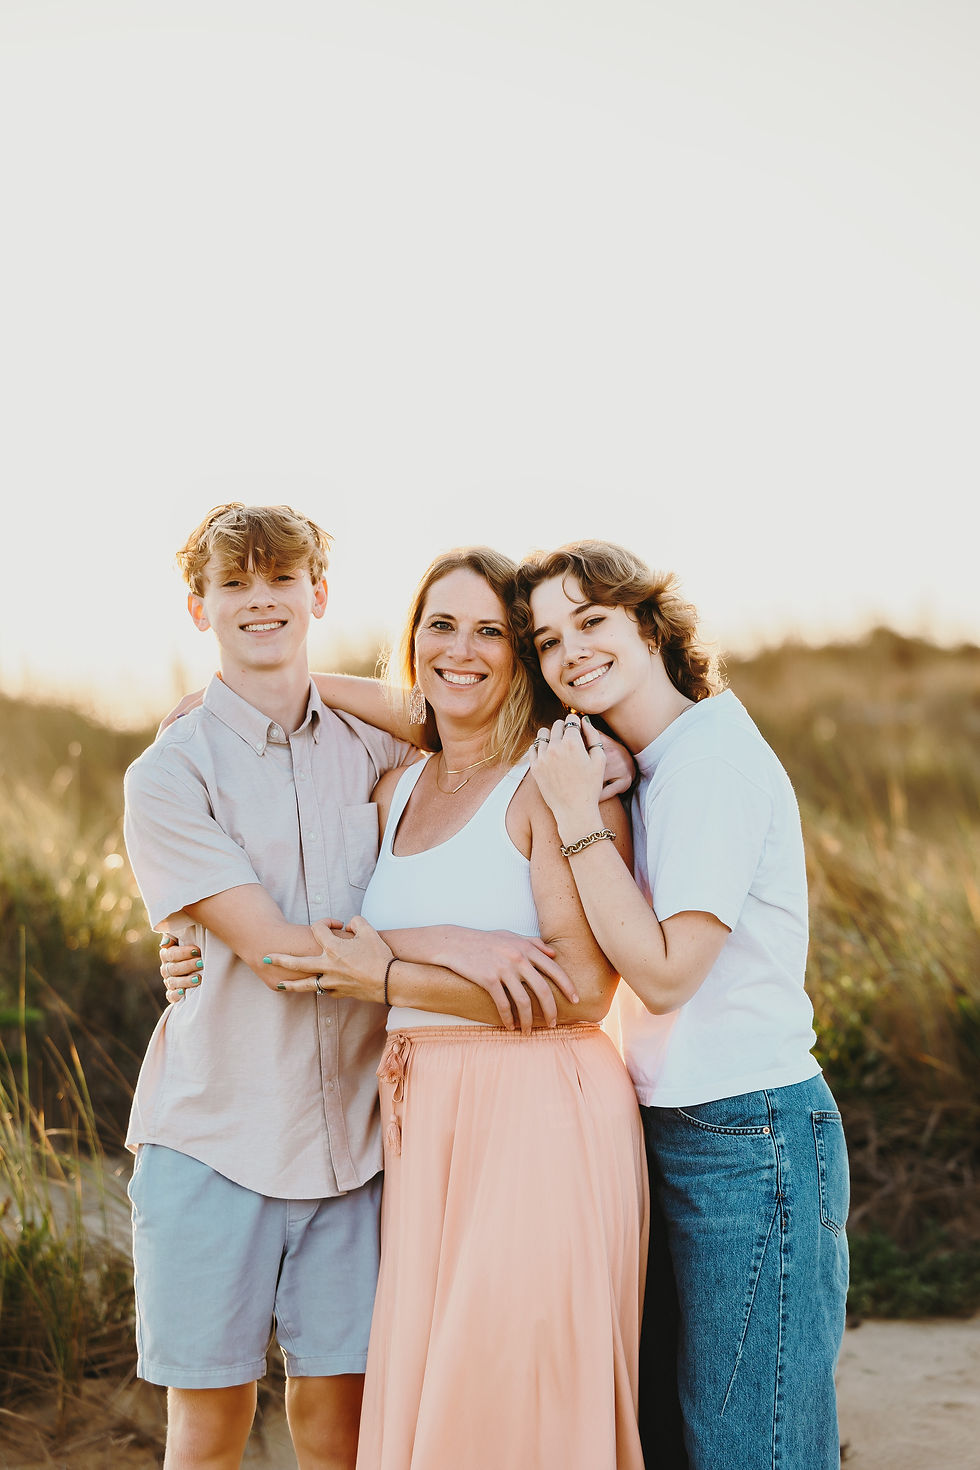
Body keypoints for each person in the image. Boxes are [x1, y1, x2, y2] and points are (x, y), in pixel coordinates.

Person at [124, 507, 564, 1470]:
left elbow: (461, 707)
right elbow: (283, 958)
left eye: (281, 580)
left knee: (339, 1427)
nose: (260, 602)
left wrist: (594, 747)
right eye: (234, 585)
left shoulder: (373, 751)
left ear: (317, 595)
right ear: (200, 607)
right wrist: (447, 939)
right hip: (214, 1139)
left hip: (355, 1150)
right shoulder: (170, 771)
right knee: (209, 1429)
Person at [258, 548, 650, 1470]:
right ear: (413, 641)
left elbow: (587, 992)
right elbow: (333, 923)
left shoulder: (556, 783)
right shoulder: (395, 788)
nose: (463, 650)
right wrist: (188, 930)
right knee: (441, 1384)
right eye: (442, 625)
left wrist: (389, 976)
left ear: (521, 653)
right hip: (424, 1120)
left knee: (515, 1383)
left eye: (492, 632)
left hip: (539, 1110)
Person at [513, 540, 850, 1470]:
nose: (571, 651)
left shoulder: (709, 767)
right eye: (547, 640)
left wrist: (577, 812)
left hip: (754, 1137)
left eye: (592, 622)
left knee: (755, 1447)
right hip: (679, 1126)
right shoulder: (656, 758)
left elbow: (663, 974)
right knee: (692, 1436)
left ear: (650, 625)